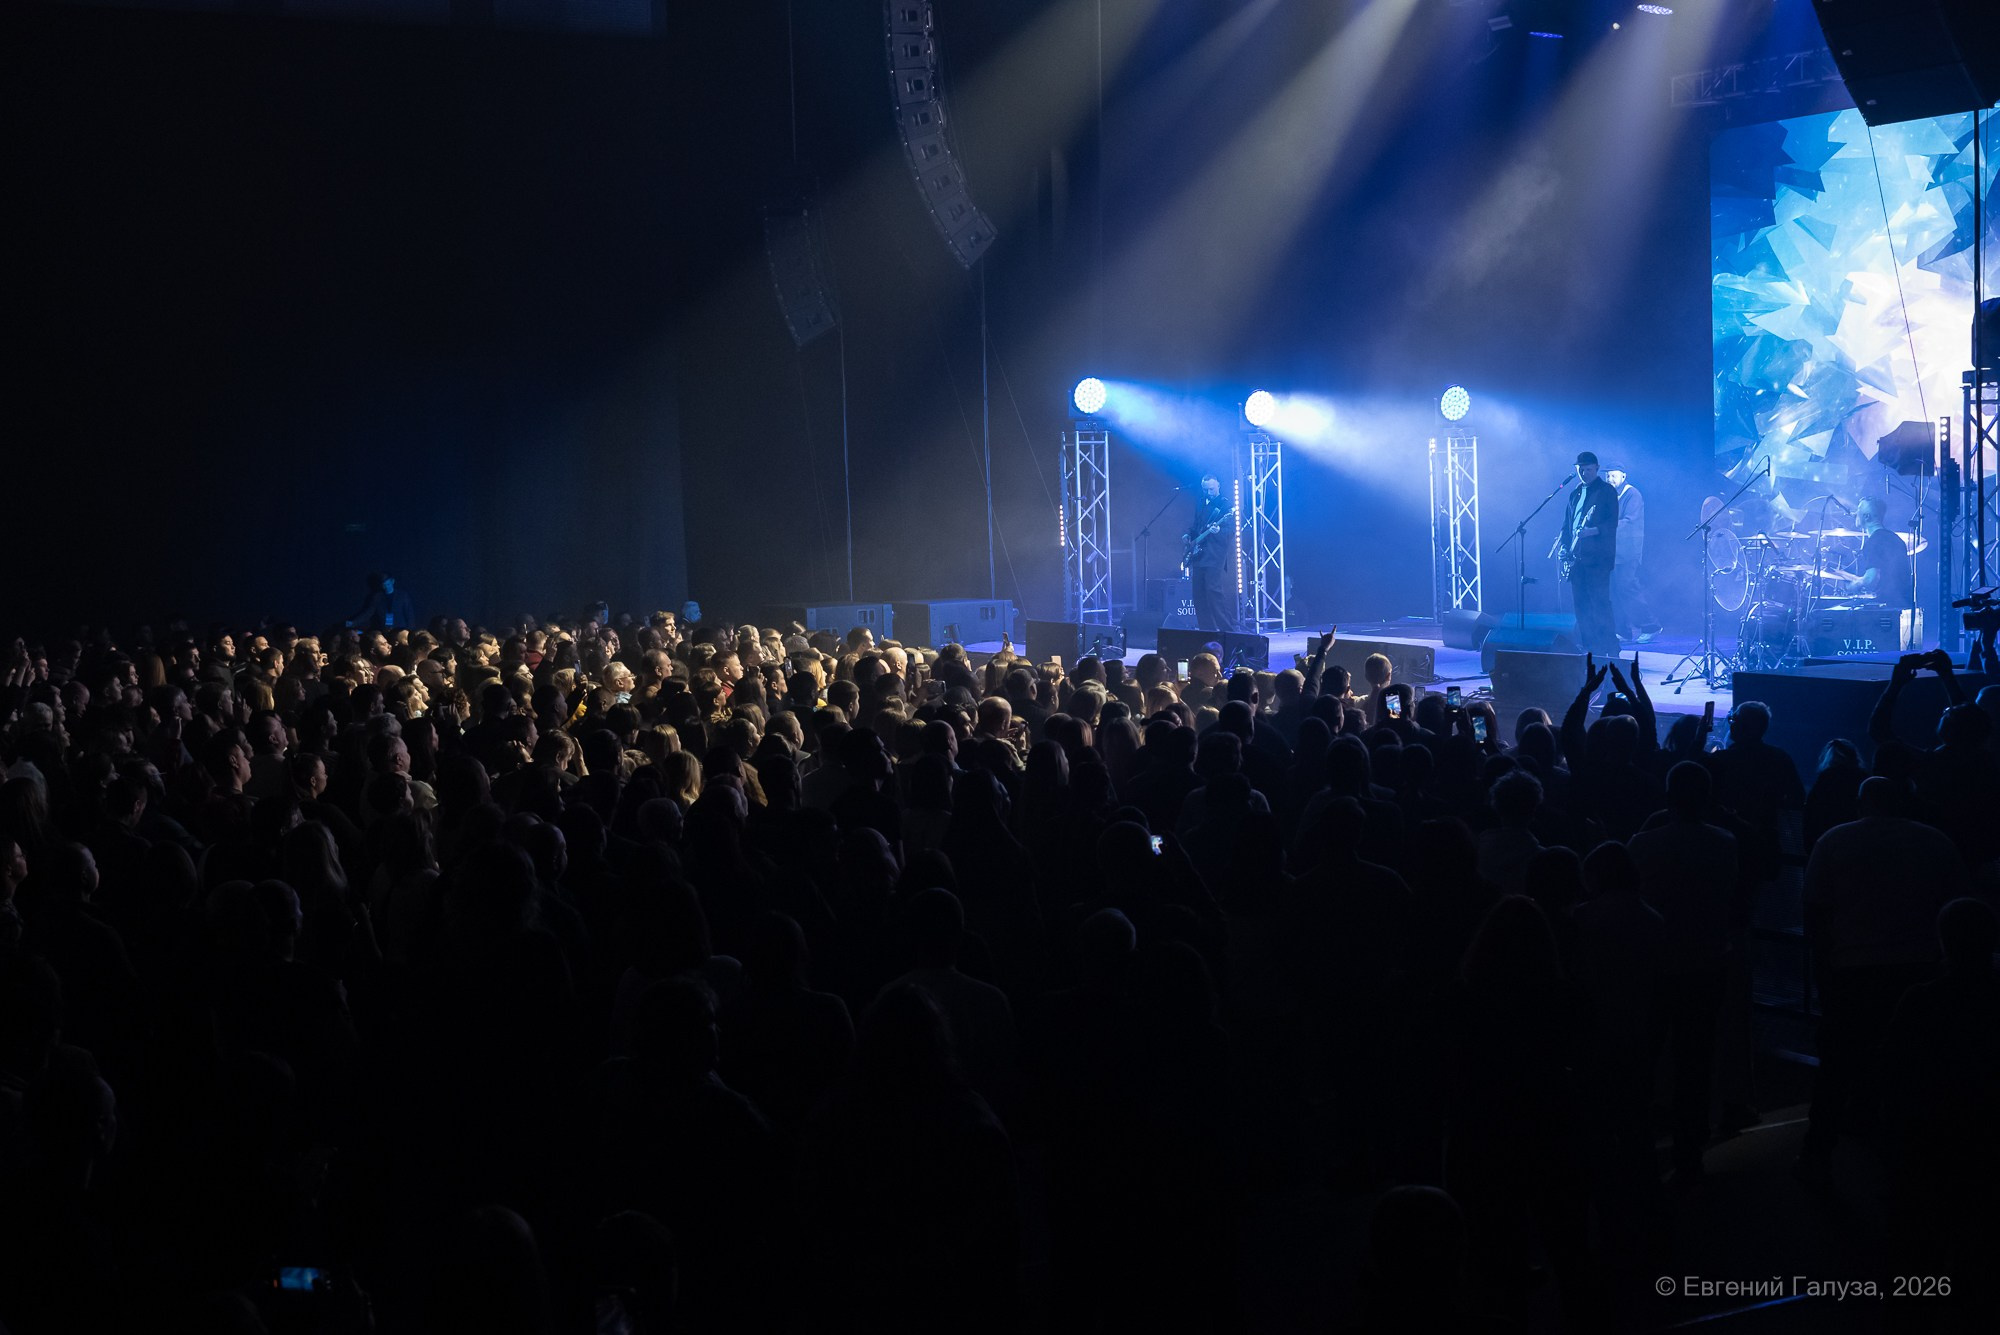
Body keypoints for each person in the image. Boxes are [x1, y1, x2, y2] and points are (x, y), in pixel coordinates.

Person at [1559, 452, 1619, 656]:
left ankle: (1610, 648)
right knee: (1581, 606)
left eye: (1588, 469)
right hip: (1577, 558)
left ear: (1597, 468)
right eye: (1580, 470)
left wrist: (1592, 531)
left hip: (1598, 559)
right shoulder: (1575, 493)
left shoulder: (1606, 491)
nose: (1584, 473)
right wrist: (1564, 546)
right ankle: (1590, 647)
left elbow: (1612, 523)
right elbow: (1567, 524)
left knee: (1600, 604)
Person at [1603, 466, 1659, 644]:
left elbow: (1629, 522)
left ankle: (1651, 626)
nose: (1610, 479)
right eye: (1608, 476)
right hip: (1613, 551)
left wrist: (1603, 528)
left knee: (1627, 587)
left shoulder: (1632, 494)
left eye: (1613, 475)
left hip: (1628, 551)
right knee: (1614, 591)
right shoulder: (1610, 495)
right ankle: (1622, 630)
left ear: (1623, 476)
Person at [1182, 472, 1237, 633]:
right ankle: (1207, 631)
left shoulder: (1226, 505)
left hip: (1214, 555)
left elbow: (1230, 532)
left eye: (1211, 489)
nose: (1209, 492)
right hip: (1199, 554)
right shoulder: (1201, 502)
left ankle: (1227, 630)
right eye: (1205, 489)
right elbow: (1196, 525)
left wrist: (1218, 531)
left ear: (1218, 485)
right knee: (1198, 595)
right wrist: (1188, 535)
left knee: (1213, 593)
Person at [1855, 497, 1913, 609]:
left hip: (1887, 608)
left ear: (1867, 516)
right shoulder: (1895, 538)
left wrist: (1855, 584)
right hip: (1903, 606)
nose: (1854, 513)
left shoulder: (1874, 541)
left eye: (1858, 509)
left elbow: (1871, 580)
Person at [345, 571, 416, 633]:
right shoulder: (377, 597)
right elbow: (368, 613)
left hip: (400, 630)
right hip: (384, 630)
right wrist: (353, 623)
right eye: (384, 585)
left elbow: (409, 614)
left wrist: (410, 631)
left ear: (392, 581)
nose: (386, 587)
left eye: (388, 584)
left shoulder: (402, 595)